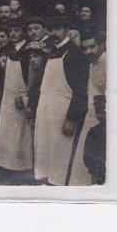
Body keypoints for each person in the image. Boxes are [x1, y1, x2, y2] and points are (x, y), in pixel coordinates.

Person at [34, 13, 90, 185]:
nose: (53, 33)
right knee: (45, 150)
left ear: (66, 30)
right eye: (50, 30)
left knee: (61, 155)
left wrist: (72, 118)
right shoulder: (52, 52)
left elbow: (80, 90)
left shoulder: (74, 53)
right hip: (46, 110)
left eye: (57, 29)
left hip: (62, 113)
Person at [0, 18, 34, 174]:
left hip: (20, 98)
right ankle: (4, 168)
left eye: (17, 30)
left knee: (20, 136)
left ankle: (20, 171)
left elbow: (33, 78)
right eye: (11, 31)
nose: (13, 34)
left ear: (24, 32)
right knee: (4, 134)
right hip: (7, 96)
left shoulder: (28, 50)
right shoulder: (10, 50)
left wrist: (25, 98)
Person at [72, 30, 108, 185]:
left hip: (102, 119)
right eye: (85, 48)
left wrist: (103, 113)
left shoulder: (108, 63)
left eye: (92, 47)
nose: (88, 51)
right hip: (90, 116)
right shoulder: (92, 63)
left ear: (101, 45)